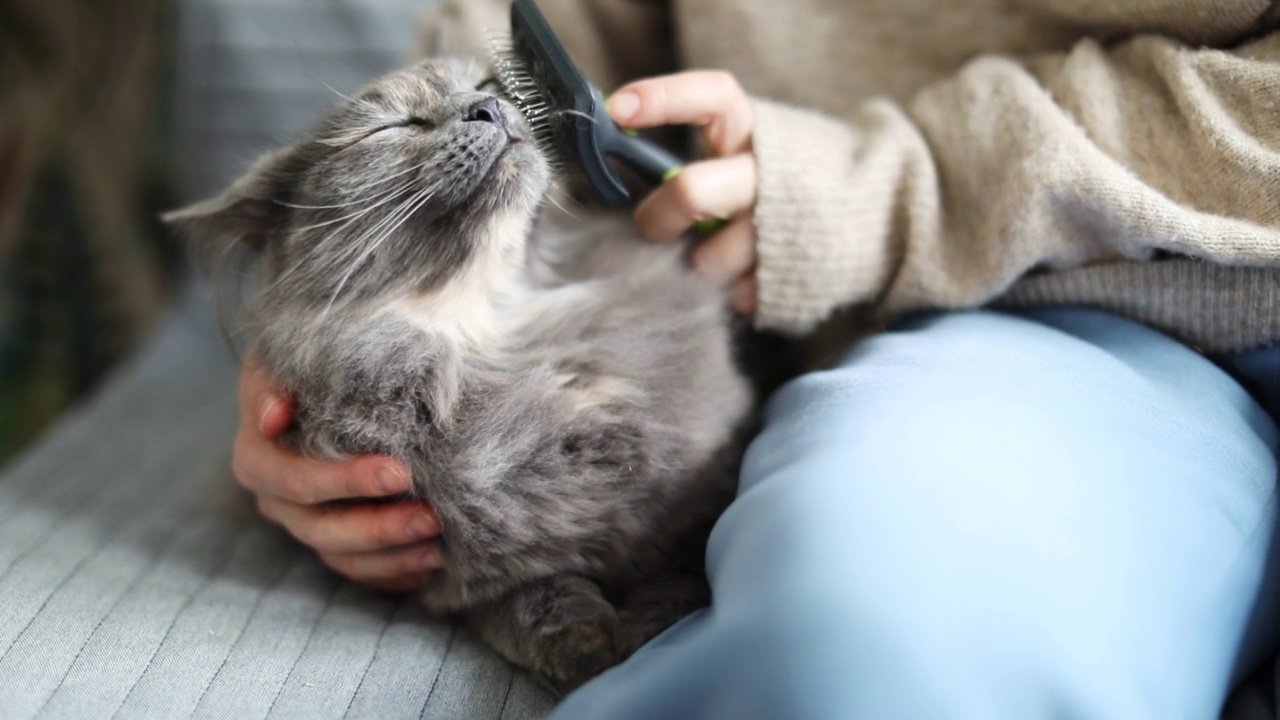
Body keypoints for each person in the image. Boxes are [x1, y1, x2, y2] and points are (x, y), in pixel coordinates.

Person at [232, 0, 1280, 716]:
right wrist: (324, 301)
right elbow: (541, 45)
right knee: (868, 633)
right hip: (1014, 338)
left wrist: (902, 183)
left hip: (1201, 290)